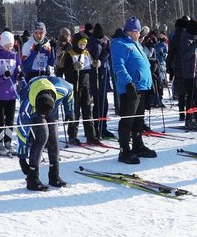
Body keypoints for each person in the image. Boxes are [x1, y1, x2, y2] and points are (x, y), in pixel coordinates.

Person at [110, 17, 156, 164]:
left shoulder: (135, 43)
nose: (139, 34)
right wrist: (128, 82)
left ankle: (138, 145)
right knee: (127, 120)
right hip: (130, 88)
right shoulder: (120, 43)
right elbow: (118, 66)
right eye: (137, 31)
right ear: (131, 31)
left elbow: (142, 63)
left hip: (141, 87)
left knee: (139, 120)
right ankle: (124, 150)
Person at [16, 76, 70, 191]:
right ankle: (32, 178)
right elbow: (22, 131)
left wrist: (69, 111)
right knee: (42, 136)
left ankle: (54, 175)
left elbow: (71, 90)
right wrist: (22, 158)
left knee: (54, 138)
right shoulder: (27, 106)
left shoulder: (62, 89)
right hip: (35, 109)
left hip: (52, 107)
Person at [0, 31, 22, 155]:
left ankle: (8, 141)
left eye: (11, 46)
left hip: (11, 93)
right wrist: (2, 77)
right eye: (6, 45)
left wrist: (19, 75)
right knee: (0, 120)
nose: (9, 48)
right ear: (1, 44)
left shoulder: (14, 55)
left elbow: (18, 69)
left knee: (10, 119)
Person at [62, 32, 99, 144]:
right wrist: (73, 68)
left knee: (88, 110)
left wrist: (95, 64)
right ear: (76, 43)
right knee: (75, 111)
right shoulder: (70, 54)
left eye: (85, 43)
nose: (83, 45)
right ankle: (72, 135)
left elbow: (91, 65)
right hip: (74, 85)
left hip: (85, 85)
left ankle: (91, 135)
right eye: (81, 43)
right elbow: (65, 71)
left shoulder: (86, 53)